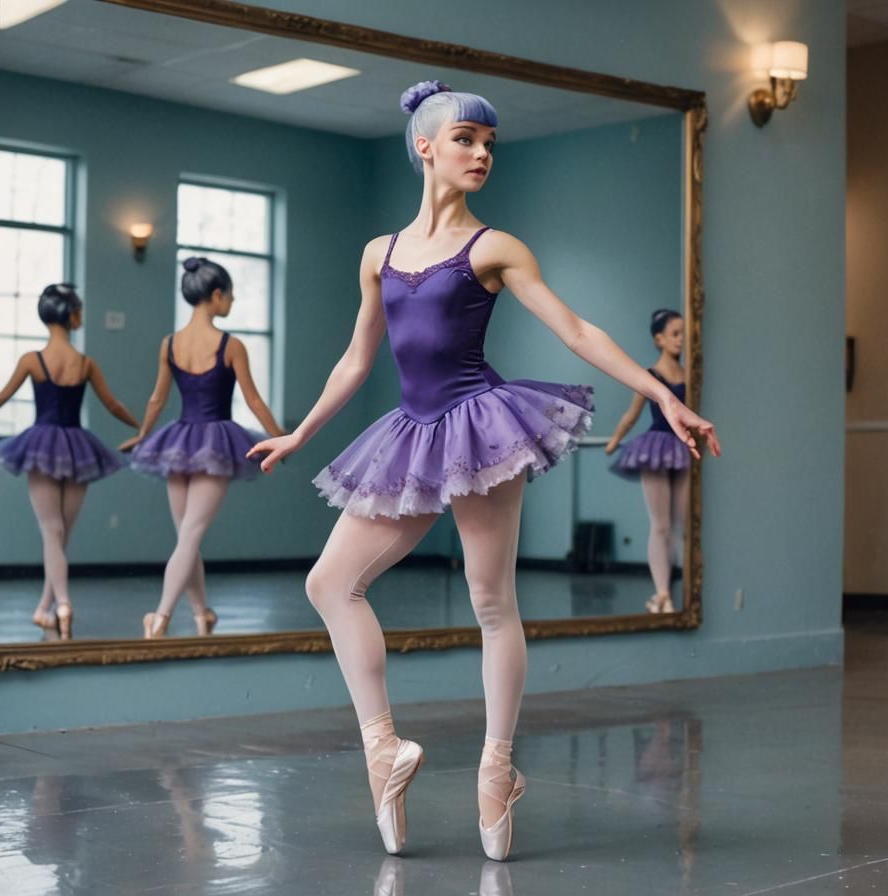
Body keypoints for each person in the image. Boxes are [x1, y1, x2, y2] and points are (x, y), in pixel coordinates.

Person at [248, 80, 721, 861]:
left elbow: (575, 330)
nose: (481, 154)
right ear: (426, 147)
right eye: (467, 140)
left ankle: (496, 771)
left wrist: (660, 396)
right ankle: (383, 750)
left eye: (490, 144)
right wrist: (299, 432)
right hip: (410, 429)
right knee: (331, 583)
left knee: (490, 599)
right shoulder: (380, 255)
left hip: (481, 425)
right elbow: (358, 357)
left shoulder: (495, 248)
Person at [121, 258, 283, 639]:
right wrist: (281, 437)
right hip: (214, 444)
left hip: (178, 441)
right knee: (190, 537)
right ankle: (160, 618)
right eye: (230, 296)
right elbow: (255, 401)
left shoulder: (170, 343)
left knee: (186, 537)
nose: (232, 302)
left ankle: (201, 614)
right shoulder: (231, 345)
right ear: (215, 296)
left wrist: (145, 433)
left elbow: (157, 399)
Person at [0, 283, 139, 639]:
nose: (81, 316)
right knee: (58, 537)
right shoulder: (85, 363)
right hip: (76, 448)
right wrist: (142, 426)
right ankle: (46, 609)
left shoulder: (32, 359)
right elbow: (113, 405)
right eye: (79, 310)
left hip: (41, 445)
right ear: (70, 315)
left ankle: (63, 604)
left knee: (51, 535)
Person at [605, 309, 691, 613]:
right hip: (655, 448)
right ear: (660, 339)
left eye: (684, 333)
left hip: (682, 450)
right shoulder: (651, 377)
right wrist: (614, 440)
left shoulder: (690, 374)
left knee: (681, 525)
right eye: (675, 334)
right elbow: (632, 415)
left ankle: (675, 589)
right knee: (661, 525)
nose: (681, 340)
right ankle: (662, 592)